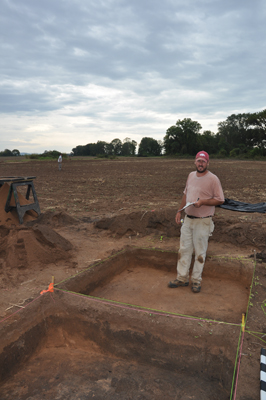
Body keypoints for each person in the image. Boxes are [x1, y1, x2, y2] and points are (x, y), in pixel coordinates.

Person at [168, 151, 224, 293]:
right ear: (195, 162)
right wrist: (179, 210)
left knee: (200, 252)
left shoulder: (213, 179)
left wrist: (204, 202)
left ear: (208, 163)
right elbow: (186, 195)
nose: (201, 164)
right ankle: (182, 278)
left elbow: (220, 199)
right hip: (188, 220)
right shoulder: (191, 176)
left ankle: (196, 281)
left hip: (203, 221)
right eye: (199, 161)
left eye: (203, 161)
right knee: (184, 249)